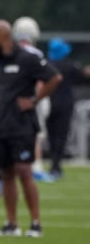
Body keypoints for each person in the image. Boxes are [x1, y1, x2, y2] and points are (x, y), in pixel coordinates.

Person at [0, 19, 62, 238]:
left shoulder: (28, 58)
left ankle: (35, 223)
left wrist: (35, 99)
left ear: (3, 37)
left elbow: (54, 78)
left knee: (25, 171)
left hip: (22, 126)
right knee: (6, 174)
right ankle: (11, 223)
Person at [12, 16, 55, 182]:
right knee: (36, 132)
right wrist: (37, 98)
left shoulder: (13, 51)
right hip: (31, 97)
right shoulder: (35, 53)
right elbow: (44, 79)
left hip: (14, 98)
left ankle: (18, 163)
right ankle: (35, 164)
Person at [46, 37, 89, 179]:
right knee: (61, 135)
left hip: (49, 102)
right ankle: (56, 165)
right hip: (65, 102)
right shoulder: (70, 65)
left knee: (52, 134)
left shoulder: (46, 64)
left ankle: (53, 162)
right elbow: (83, 78)